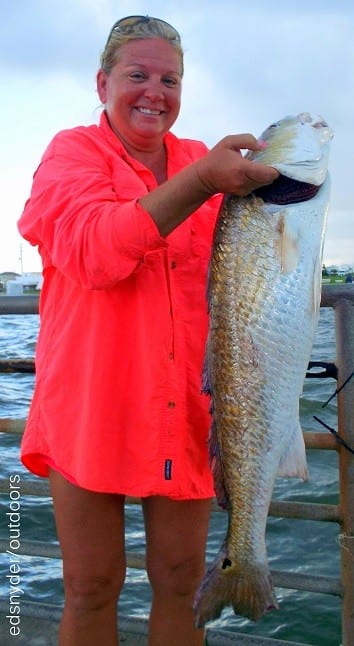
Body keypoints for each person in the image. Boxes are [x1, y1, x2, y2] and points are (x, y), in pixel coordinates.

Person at [18, 15, 279, 646]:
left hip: (186, 409)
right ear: (102, 81)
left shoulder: (203, 162)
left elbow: (259, 273)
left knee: (184, 580)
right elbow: (95, 251)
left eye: (170, 78)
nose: (153, 92)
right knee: (89, 585)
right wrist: (200, 184)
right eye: (137, 75)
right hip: (89, 404)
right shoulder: (72, 153)